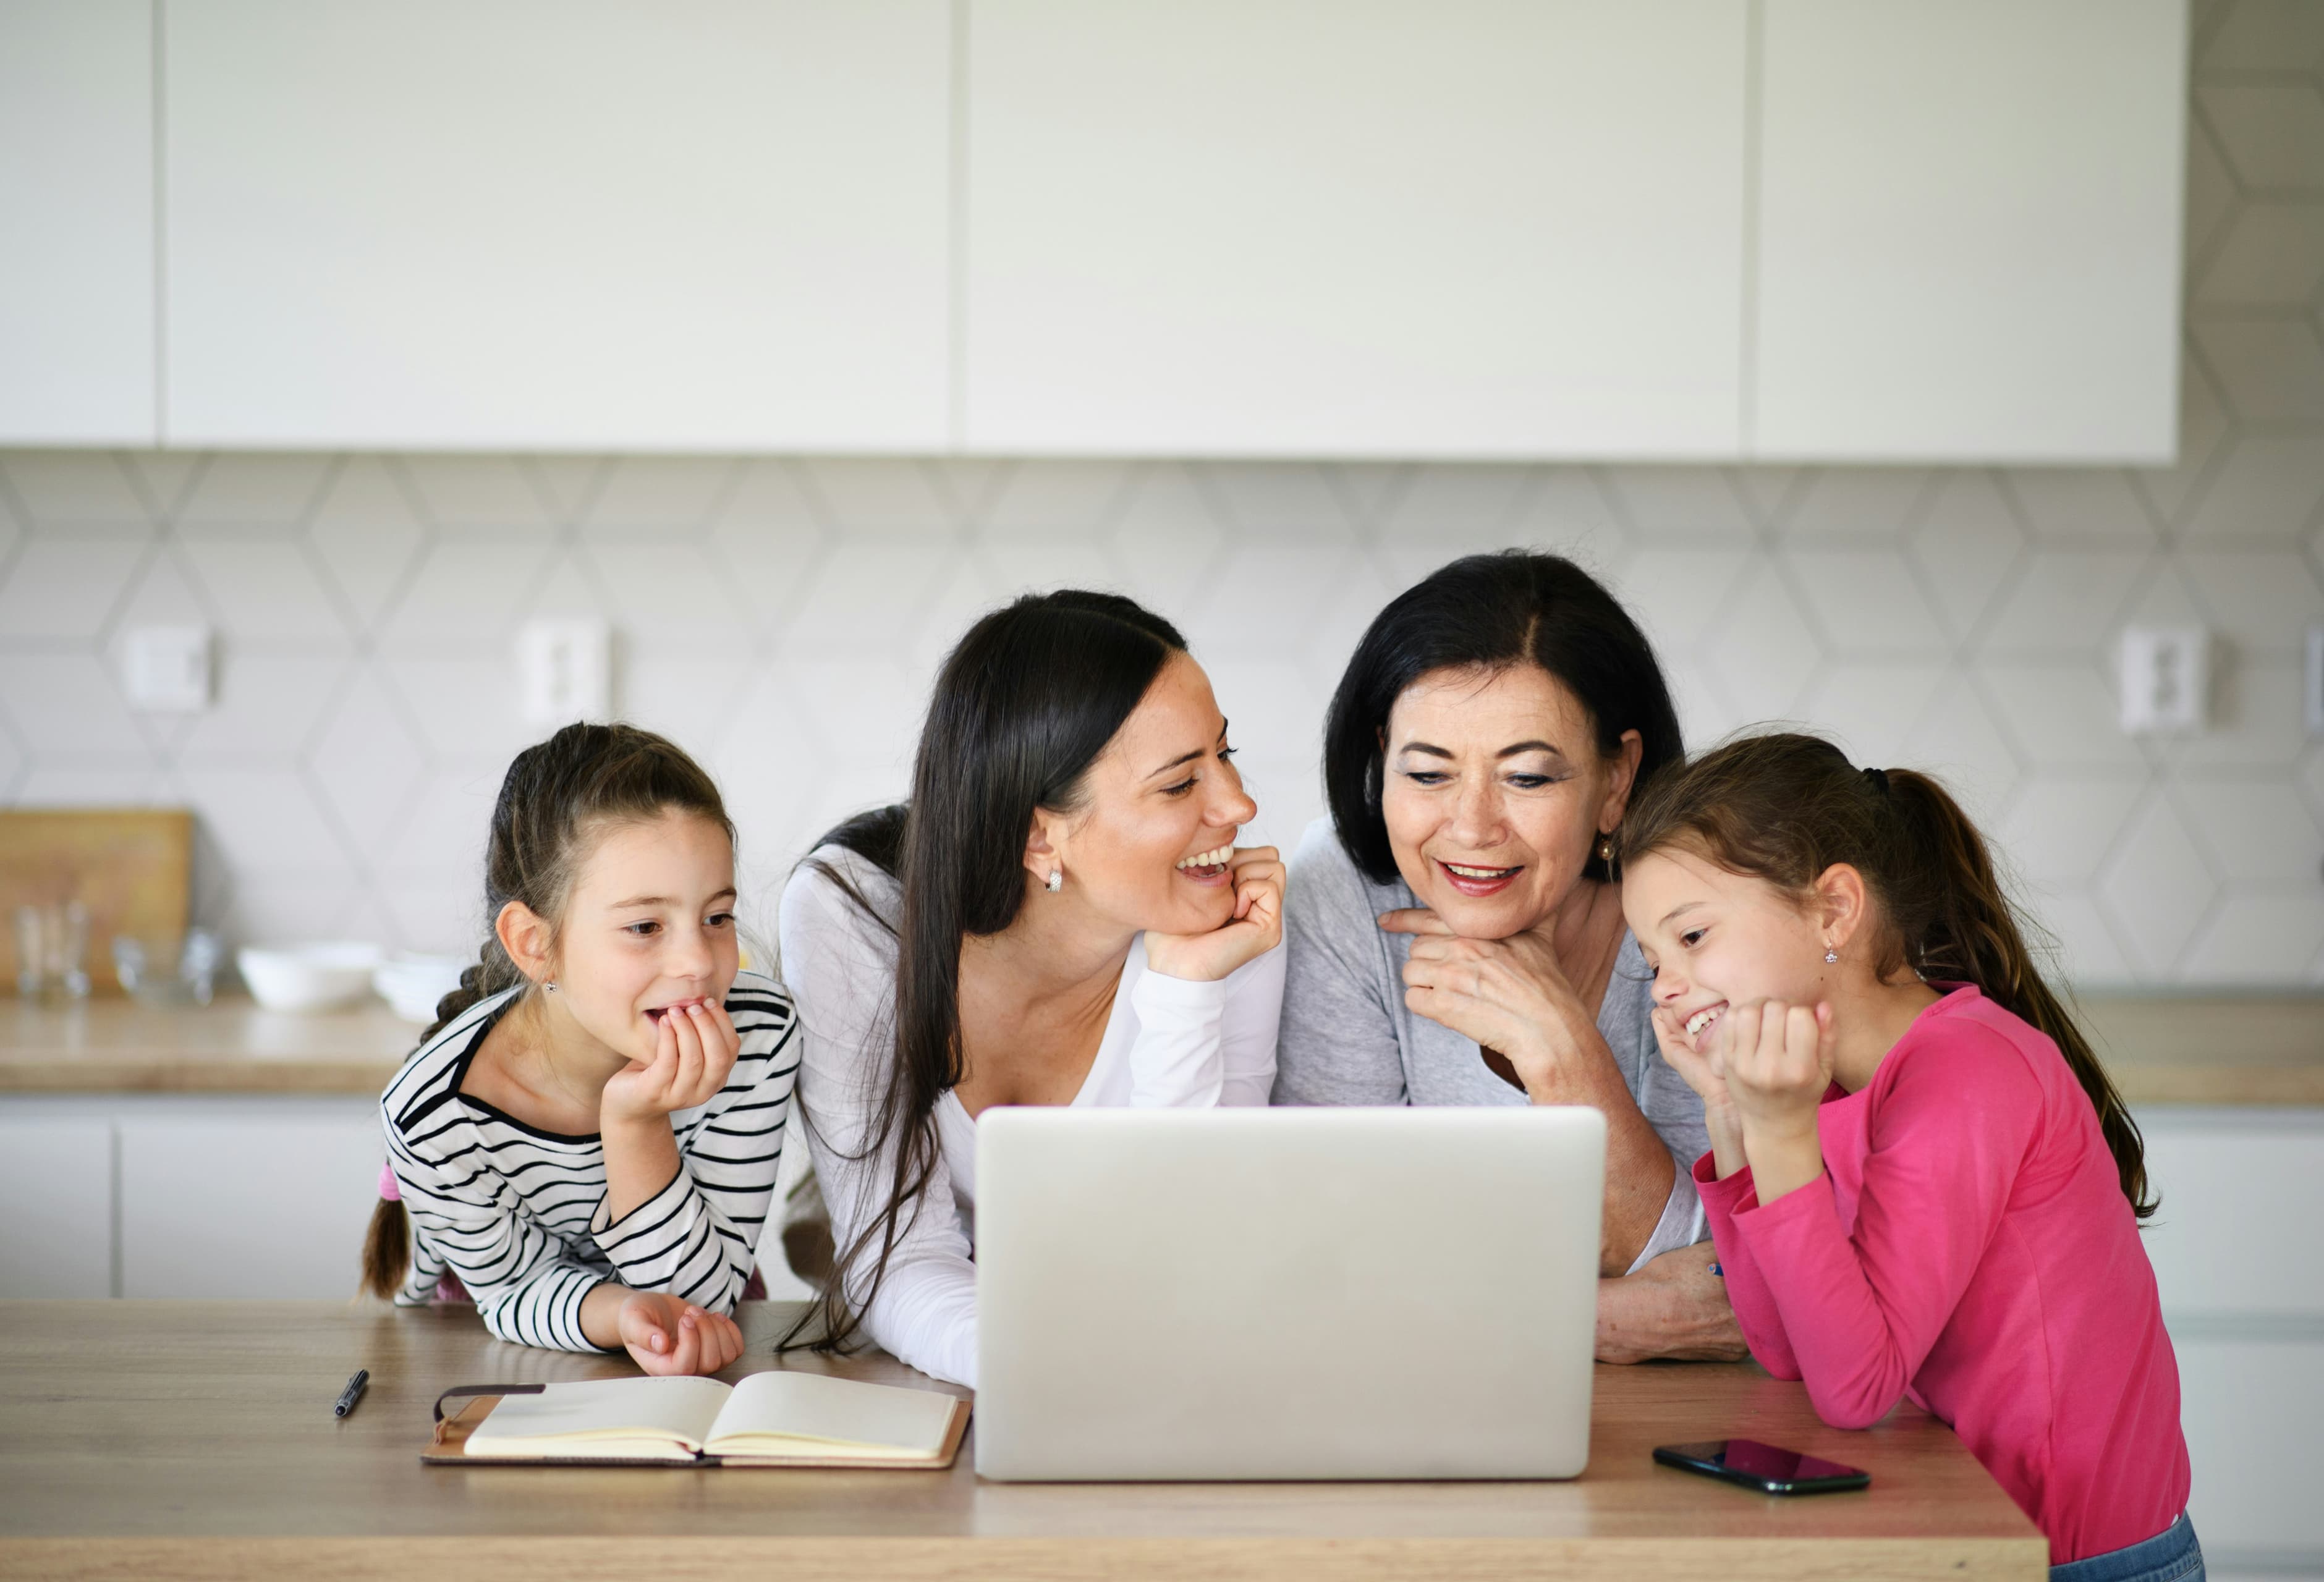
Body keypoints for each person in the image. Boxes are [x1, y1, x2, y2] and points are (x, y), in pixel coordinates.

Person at [1621, 732, 2193, 1579]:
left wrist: (1781, 1132)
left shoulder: (1966, 1071)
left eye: (1693, 937)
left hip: (2084, 1563)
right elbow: (1788, 1351)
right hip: (1979, 1536)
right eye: (1653, 960)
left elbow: (1856, 1391)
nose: (1667, 986)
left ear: (1833, 912)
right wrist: (1730, 1113)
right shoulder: (1842, 1084)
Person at [779, 591, 1286, 1388]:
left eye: (1226, 755)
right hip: (987, 1372)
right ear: (1039, 834)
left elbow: (1194, 1269)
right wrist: (1043, 1368)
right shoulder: (856, 916)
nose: (1239, 806)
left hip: (1146, 1376)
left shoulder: (1230, 933)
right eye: (1181, 783)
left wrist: (1187, 991)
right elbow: (899, 1260)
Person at [1277, 551, 1741, 1362]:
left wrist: (1561, 1049)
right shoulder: (1345, 892)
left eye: (1527, 779)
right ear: (1381, 757)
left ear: (1616, 779)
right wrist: (1598, 1318)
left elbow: (1733, 1279)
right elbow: (1330, 1246)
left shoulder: (1701, 915)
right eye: (1427, 773)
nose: (1472, 826)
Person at [363, 722, 800, 1377]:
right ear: (536, 944)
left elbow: (698, 1306)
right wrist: (617, 1309)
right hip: (501, 1352)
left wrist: (636, 1126)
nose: (698, 962)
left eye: (716, 917)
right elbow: (511, 1293)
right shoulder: (436, 1116)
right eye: (645, 926)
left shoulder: (758, 1037)